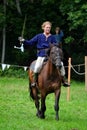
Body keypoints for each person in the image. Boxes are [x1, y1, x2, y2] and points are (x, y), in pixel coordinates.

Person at [18, 21, 69, 87]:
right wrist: (23, 41)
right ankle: (34, 81)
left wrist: (54, 44)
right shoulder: (38, 36)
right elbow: (30, 43)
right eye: (47, 27)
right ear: (43, 28)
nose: (48, 29)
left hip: (51, 56)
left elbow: (56, 45)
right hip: (41, 55)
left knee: (61, 64)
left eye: (49, 27)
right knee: (37, 67)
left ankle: (64, 80)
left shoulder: (52, 37)